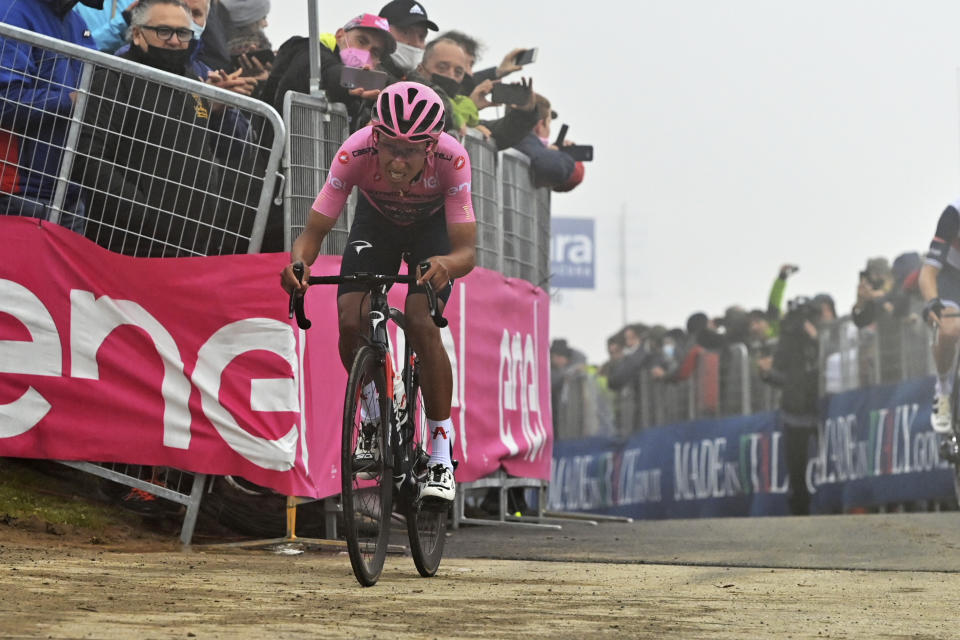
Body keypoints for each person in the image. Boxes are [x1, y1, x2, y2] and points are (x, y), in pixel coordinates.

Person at [281, 82, 477, 504]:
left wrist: (446, 264)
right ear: (374, 135)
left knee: (422, 321)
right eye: (389, 147)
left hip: (433, 231)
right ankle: (372, 414)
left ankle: (441, 450)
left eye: (410, 151)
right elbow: (312, 234)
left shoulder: (452, 158)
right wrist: (299, 265)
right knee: (351, 317)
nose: (397, 160)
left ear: (431, 147)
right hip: (378, 224)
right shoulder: (355, 152)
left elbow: (466, 252)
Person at [72, 0, 252, 257]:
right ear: (137, 33)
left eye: (183, 33)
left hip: (192, 244)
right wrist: (141, 214)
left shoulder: (192, 81)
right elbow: (90, 156)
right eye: (164, 31)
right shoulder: (115, 76)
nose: (175, 41)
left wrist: (217, 111)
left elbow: (212, 150)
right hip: (128, 244)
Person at [0, 0, 98, 230]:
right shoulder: (11, 12)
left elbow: (96, 89)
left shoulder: (77, 22)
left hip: (70, 194)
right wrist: (69, 100)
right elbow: (5, 102)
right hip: (22, 192)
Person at [758, 294, 836, 515]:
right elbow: (783, 376)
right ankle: (799, 508)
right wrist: (766, 373)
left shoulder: (827, 334)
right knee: (796, 465)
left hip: (822, 406)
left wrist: (816, 339)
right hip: (794, 410)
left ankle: (831, 503)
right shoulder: (787, 341)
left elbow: (831, 357)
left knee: (829, 457)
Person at [261, 13, 395, 131]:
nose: (366, 52)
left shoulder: (368, 92)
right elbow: (328, 73)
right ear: (340, 35)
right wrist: (352, 81)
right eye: (361, 41)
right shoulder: (306, 49)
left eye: (375, 52)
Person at [919, 200, 960, 458]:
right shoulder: (954, 213)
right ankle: (943, 388)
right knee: (949, 328)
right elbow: (927, 274)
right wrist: (931, 303)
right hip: (951, 278)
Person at [513, 95, 585, 192]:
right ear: (540, 125)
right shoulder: (530, 149)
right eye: (549, 123)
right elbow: (561, 172)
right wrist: (561, 156)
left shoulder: (506, 138)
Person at [377, 0, 437, 80]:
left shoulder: (423, 86)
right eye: (405, 32)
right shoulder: (364, 73)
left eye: (421, 36)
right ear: (381, 31)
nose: (416, 43)